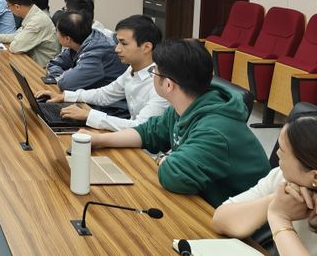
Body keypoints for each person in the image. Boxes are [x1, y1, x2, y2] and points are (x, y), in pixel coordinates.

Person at [81, 39, 270, 207]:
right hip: (202, 201)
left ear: (168, 84)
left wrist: (162, 159)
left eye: (154, 72)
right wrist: (100, 140)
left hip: (233, 220)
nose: (152, 74)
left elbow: (174, 176)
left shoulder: (215, 131)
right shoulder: (185, 106)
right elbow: (148, 132)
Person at [35, 14, 169, 131]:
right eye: (118, 42)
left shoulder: (161, 82)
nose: (117, 49)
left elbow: (141, 127)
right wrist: (66, 96)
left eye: (124, 44)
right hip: (130, 135)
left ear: (146, 47)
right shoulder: (132, 69)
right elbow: (105, 94)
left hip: (146, 148)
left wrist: (89, 115)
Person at [212, 113, 317, 255]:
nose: (277, 154)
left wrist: (279, 217)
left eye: (283, 151)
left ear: (315, 176)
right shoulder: (282, 177)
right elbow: (220, 220)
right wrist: (276, 200)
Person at [45, 11, 127, 91]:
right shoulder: (80, 41)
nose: (55, 32)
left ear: (67, 39)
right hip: (90, 94)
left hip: (110, 99)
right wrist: (65, 76)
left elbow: (66, 84)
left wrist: (62, 77)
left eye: (57, 31)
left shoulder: (96, 52)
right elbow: (53, 64)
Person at [0, 0, 61, 66]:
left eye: (9, 6)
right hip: (31, 62)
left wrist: (15, 40)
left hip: (42, 69)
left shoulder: (37, 21)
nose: (9, 9)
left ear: (17, 7)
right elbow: (17, 35)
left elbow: (15, 47)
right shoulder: (32, 14)